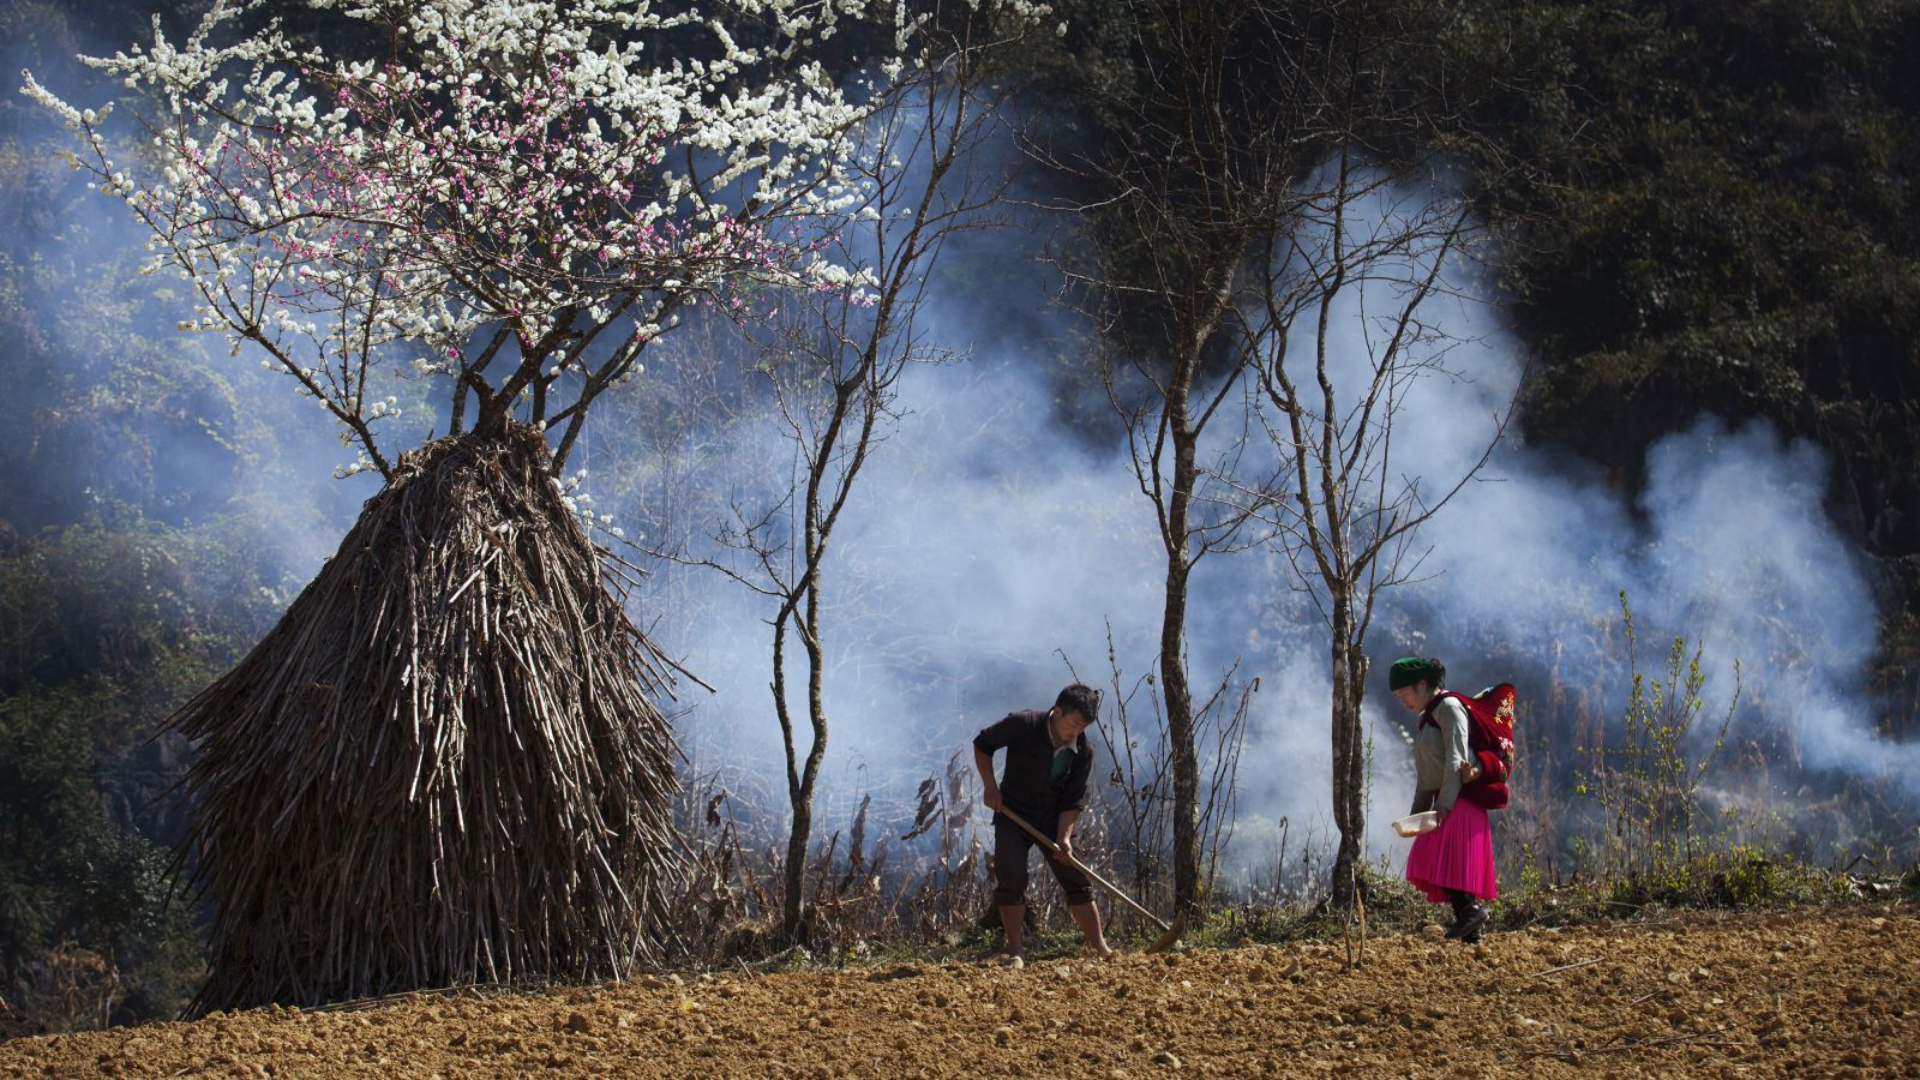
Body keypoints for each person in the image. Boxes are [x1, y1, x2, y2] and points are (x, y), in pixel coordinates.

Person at [973, 683, 1113, 964]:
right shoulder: (1023, 724)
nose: (1075, 732)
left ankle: (1100, 948)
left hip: (1053, 818)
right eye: (1072, 724)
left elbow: (1073, 799)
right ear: (1056, 711)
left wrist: (1064, 837)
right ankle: (1015, 952)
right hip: (1012, 813)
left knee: (1076, 877)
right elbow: (983, 744)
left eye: (1081, 727)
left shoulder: (1083, 751)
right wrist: (990, 787)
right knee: (1011, 879)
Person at [1390, 656, 1497, 944]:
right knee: (1442, 863)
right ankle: (1472, 935)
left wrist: (1443, 808)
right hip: (1447, 799)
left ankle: (1472, 912)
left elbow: (1455, 759)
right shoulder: (1428, 717)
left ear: (1423, 684)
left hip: (1460, 800)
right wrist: (1416, 815)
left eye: (1404, 693)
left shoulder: (1449, 708)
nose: (1403, 700)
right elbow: (1426, 775)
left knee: (1436, 859)